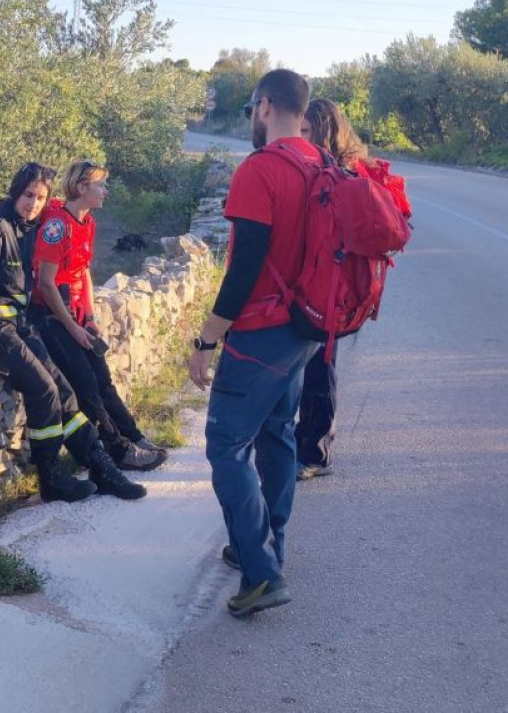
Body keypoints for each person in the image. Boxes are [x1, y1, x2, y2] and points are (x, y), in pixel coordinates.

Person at [184, 69, 320, 617]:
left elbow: (243, 266)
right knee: (277, 437)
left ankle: (262, 573)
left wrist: (206, 340)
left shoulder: (260, 170)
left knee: (225, 446)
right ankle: (263, 548)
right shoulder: (321, 166)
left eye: (251, 111)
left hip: (261, 331)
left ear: (264, 106)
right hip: (305, 329)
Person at [0, 162, 132, 503]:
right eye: (28, 195)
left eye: (40, 197)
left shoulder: (27, 225)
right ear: (15, 193)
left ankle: (100, 466)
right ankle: (50, 479)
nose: (33, 203)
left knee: (64, 392)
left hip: (16, 323)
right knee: (46, 391)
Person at [292, 98, 413, 481]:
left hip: (331, 291)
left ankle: (315, 453)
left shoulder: (341, 173)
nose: (300, 138)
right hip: (327, 288)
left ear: (325, 131)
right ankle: (307, 444)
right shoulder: (347, 168)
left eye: (307, 131)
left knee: (317, 368)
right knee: (313, 366)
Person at [30, 161, 165, 481]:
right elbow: (46, 284)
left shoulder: (86, 222)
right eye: (100, 185)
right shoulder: (56, 226)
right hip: (52, 316)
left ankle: (133, 436)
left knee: (103, 379)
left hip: (76, 314)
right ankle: (118, 451)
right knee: (87, 385)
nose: (106, 191)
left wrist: (89, 316)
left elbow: (83, 273)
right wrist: (73, 328)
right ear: (81, 188)